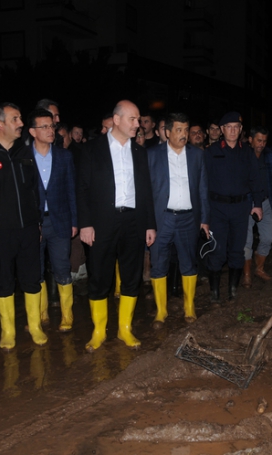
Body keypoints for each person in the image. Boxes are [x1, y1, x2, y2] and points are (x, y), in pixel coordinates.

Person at [76, 100, 156, 352]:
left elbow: (145, 191)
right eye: (133, 119)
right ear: (117, 119)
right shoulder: (91, 149)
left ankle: (125, 329)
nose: (138, 124)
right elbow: (83, 189)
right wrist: (86, 223)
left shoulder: (139, 152)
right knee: (100, 276)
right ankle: (99, 330)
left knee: (131, 275)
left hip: (133, 220)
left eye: (139, 119)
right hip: (102, 222)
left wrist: (150, 224)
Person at [0, 102, 46, 350]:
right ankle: (8, 331)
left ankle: (35, 326)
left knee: (31, 278)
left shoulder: (24, 151)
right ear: (1, 124)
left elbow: (34, 190)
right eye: (15, 119)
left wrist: (37, 222)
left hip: (27, 228)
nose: (21, 123)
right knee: (4, 281)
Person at [147, 113, 209, 328]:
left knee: (188, 262)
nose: (184, 135)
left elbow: (202, 188)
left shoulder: (196, 155)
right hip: (161, 218)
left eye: (186, 130)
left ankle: (189, 307)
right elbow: (145, 192)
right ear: (167, 132)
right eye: (179, 130)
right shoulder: (152, 155)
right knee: (159, 264)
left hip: (188, 219)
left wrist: (204, 219)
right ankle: (161, 311)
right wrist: (148, 222)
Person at [204, 111, 264, 301]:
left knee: (237, 249)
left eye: (236, 127)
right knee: (217, 250)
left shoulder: (247, 152)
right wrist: (204, 215)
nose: (232, 130)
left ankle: (233, 291)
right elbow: (202, 183)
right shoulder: (211, 152)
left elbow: (255, 180)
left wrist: (258, 204)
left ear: (240, 130)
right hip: (217, 208)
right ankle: (214, 293)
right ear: (221, 130)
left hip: (240, 209)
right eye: (228, 127)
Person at [29, 109, 77, 333]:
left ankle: (67, 315)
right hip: (34, 223)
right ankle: (41, 313)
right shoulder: (24, 157)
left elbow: (71, 191)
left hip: (60, 221)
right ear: (32, 131)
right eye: (44, 127)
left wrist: (74, 221)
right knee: (35, 270)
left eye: (51, 126)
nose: (50, 130)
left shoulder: (64, 156)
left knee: (62, 267)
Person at [242, 126, 272, 288]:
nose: (261, 144)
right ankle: (247, 275)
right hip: (246, 203)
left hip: (265, 201)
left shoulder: (270, 156)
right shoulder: (242, 156)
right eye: (258, 140)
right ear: (250, 139)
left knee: (267, 238)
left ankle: (259, 268)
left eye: (264, 141)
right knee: (247, 241)